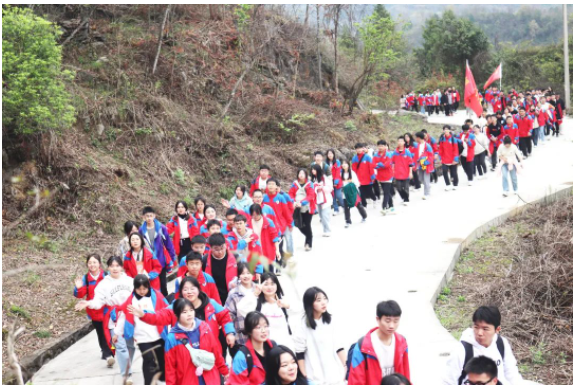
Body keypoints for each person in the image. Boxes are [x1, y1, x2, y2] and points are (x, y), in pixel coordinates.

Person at [131, 276, 236, 358]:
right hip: (186, 353)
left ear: (198, 289)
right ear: (181, 292)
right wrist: (144, 314)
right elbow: (160, 316)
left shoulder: (210, 304)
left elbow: (225, 316)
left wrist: (230, 333)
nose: (189, 292)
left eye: (192, 288)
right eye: (185, 289)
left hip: (211, 351)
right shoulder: (176, 306)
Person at [75, 256, 135, 383]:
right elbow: (98, 302)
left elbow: (138, 296)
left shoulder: (129, 281)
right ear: (108, 267)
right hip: (113, 319)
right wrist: (88, 303)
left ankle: (127, 366)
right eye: (112, 266)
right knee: (120, 347)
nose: (115, 268)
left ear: (121, 267)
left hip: (129, 317)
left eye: (117, 265)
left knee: (130, 346)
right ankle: (126, 375)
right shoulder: (103, 284)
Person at [442, 306, 523, 385]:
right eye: (476, 327)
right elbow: (448, 382)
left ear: (497, 329)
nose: (479, 333)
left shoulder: (501, 344)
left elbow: (512, 375)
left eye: (485, 329)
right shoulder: (462, 350)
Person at [115, 275, 168, 385]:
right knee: (148, 359)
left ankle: (162, 381)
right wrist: (116, 333)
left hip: (158, 334)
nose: (142, 291)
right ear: (134, 288)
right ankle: (148, 383)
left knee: (161, 359)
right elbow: (123, 316)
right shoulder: (131, 301)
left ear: (149, 286)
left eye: (144, 289)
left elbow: (167, 310)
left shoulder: (157, 296)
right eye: (139, 289)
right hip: (142, 337)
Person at [163, 298, 229, 385]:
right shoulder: (172, 339)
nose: (189, 314)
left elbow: (216, 352)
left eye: (191, 310)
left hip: (211, 380)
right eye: (184, 312)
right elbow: (170, 369)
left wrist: (225, 372)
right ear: (176, 315)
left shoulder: (204, 328)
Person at [348, 300, 410, 384]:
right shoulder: (363, 346)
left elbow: (406, 374)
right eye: (387, 321)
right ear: (378, 319)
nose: (392, 326)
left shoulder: (402, 342)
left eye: (396, 321)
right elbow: (356, 380)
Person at [294, 286, 346, 385]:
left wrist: (345, 366)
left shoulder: (331, 321)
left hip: (335, 375)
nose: (323, 302)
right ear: (310, 303)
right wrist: (304, 374)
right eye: (318, 300)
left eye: (325, 299)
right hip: (314, 377)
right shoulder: (302, 324)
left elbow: (339, 346)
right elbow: (299, 352)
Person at [73, 254, 113, 367]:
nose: (92, 265)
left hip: (107, 310)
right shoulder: (86, 278)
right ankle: (106, 354)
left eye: (94, 262)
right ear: (87, 264)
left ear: (99, 264)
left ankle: (112, 351)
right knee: (101, 333)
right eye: (90, 263)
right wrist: (79, 288)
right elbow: (80, 295)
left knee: (110, 333)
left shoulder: (106, 276)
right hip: (94, 311)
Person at [228, 311, 277, 385]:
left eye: (265, 326)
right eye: (258, 327)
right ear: (249, 331)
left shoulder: (274, 346)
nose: (263, 331)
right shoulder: (241, 357)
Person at [249, 272, 293, 351]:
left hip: (285, 346)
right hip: (266, 347)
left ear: (277, 285)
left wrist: (285, 305)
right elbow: (241, 308)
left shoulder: (283, 302)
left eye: (272, 284)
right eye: (265, 284)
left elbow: (300, 310)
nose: (269, 287)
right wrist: (255, 293)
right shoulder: (257, 304)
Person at [139, 206, 177, 297]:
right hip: (149, 262)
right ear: (143, 217)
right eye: (147, 216)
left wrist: (172, 258)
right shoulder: (141, 230)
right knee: (152, 285)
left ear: (154, 216)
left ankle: (165, 302)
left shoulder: (161, 228)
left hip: (160, 260)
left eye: (150, 216)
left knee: (163, 284)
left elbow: (168, 243)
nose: (149, 218)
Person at [225, 262, 261, 347]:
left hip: (258, 335)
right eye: (242, 273)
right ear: (238, 276)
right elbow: (228, 315)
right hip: (241, 337)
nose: (246, 276)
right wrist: (231, 333)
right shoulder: (233, 293)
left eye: (248, 273)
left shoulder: (259, 290)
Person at [263, 178, 292, 260]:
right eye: (269, 184)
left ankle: (279, 264)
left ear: (276, 187)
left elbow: (286, 212)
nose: (271, 186)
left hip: (280, 226)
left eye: (273, 184)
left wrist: (290, 223)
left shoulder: (280, 198)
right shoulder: (264, 198)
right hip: (267, 226)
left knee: (279, 245)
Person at [288, 169, 316, 251]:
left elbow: (311, 196)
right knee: (299, 224)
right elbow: (291, 194)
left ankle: (308, 243)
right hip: (297, 208)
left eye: (303, 173)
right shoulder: (295, 184)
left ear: (306, 175)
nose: (301, 175)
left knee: (307, 224)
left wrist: (302, 202)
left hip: (308, 208)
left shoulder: (310, 184)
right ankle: (309, 236)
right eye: (299, 173)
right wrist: (293, 201)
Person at [249, 203, 280, 272]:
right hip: (255, 254)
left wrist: (277, 251)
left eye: (257, 214)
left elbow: (275, 237)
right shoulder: (249, 223)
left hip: (268, 253)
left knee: (269, 275)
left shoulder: (268, 222)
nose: (255, 216)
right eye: (253, 215)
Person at [340, 160, 368, 226]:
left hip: (353, 192)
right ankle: (348, 221)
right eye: (343, 164)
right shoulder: (341, 173)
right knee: (346, 207)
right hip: (345, 192)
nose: (344, 165)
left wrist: (351, 182)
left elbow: (357, 183)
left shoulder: (352, 173)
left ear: (348, 165)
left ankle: (364, 216)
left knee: (358, 205)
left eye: (345, 163)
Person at [310, 164, 333, 237]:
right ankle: (325, 229)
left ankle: (328, 230)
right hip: (318, 199)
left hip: (325, 199)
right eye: (312, 169)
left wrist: (322, 187)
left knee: (325, 215)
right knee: (321, 216)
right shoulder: (313, 179)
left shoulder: (324, 178)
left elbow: (330, 188)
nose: (313, 171)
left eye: (314, 169)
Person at [373, 140, 394, 214]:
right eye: (379, 146)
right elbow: (373, 164)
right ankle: (391, 207)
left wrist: (380, 165)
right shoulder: (376, 155)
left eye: (382, 146)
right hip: (380, 177)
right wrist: (380, 165)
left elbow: (387, 164)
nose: (380, 147)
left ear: (386, 146)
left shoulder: (388, 154)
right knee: (387, 192)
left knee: (386, 192)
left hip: (388, 176)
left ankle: (384, 207)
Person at [351, 143, 375, 207]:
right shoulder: (354, 158)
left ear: (362, 149)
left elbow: (371, 167)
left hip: (368, 178)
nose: (359, 150)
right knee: (361, 193)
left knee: (370, 192)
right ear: (355, 150)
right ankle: (364, 205)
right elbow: (353, 170)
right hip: (359, 179)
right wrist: (354, 178)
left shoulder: (367, 157)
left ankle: (374, 199)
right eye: (357, 149)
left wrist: (372, 176)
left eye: (360, 148)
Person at [391, 137, 414, 205]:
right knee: (398, 187)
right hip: (397, 173)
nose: (400, 142)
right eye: (399, 141)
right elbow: (393, 162)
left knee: (406, 187)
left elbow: (410, 163)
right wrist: (392, 171)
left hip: (406, 173)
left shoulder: (407, 152)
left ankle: (406, 200)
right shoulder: (395, 152)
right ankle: (404, 197)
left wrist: (410, 172)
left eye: (401, 141)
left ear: (404, 142)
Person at [413, 132, 434, 200]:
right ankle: (427, 187)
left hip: (426, 165)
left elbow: (431, 155)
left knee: (426, 179)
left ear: (419, 138)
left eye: (416, 137)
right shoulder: (417, 145)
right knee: (421, 179)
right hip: (420, 164)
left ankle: (426, 193)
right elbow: (416, 155)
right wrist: (415, 164)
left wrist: (426, 162)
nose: (415, 139)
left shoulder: (427, 145)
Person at [438, 125, 459, 191]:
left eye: (447, 129)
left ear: (450, 130)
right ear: (443, 130)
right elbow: (440, 149)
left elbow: (456, 149)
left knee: (454, 172)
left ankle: (455, 184)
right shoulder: (442, 139)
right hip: (444, 159)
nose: (446, 130)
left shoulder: (453, 139)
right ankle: (447, 184)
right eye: (444, 129)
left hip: (452, 158)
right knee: (444, 171)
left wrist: (455, 159)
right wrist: (440, 157)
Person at [326, 149, 344, 216]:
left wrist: (336, 181)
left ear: (333, 154)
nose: (330, 155)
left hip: (337, 181)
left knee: (338, 195)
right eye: (328, 154)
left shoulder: (337, 162)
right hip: (329, 182)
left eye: (331, 153)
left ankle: (344, 206)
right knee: (332, 196)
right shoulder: (325, 163)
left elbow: (338, 172)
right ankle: (336, 209)